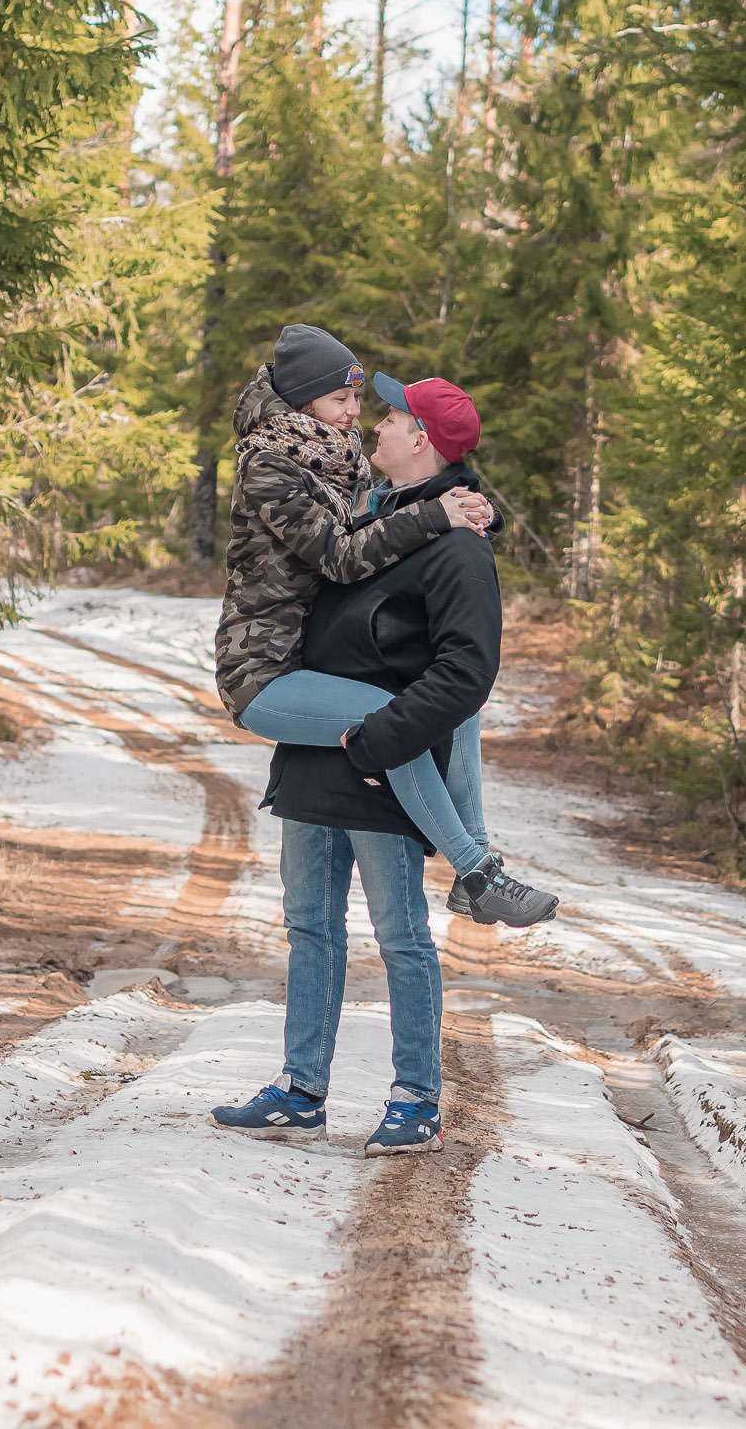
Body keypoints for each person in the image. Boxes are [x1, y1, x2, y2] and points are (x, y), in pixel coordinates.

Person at [212, 376, 533, 1153]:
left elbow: (466, 679)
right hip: (322, 755)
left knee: (401, 937)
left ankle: (417, 1098)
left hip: (382, 763)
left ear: (420, 439)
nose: (374, 429)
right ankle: (300, 1089)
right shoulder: (370, 508)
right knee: (310, 928)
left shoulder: (458, 546)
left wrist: (386, 739)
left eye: (390, 418)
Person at [214, 325, 557, 927]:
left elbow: (387, 510)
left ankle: (473, 866)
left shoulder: (332, 456)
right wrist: (435, 514)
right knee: (390, 724)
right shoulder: (269, 468)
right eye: (342, 399)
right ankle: (475, 870)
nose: (358, 413)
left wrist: (471, 505)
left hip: (311, 662)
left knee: (446, 708)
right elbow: (342, 554)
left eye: (359, 400)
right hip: (264, 673)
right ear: (304, 403)